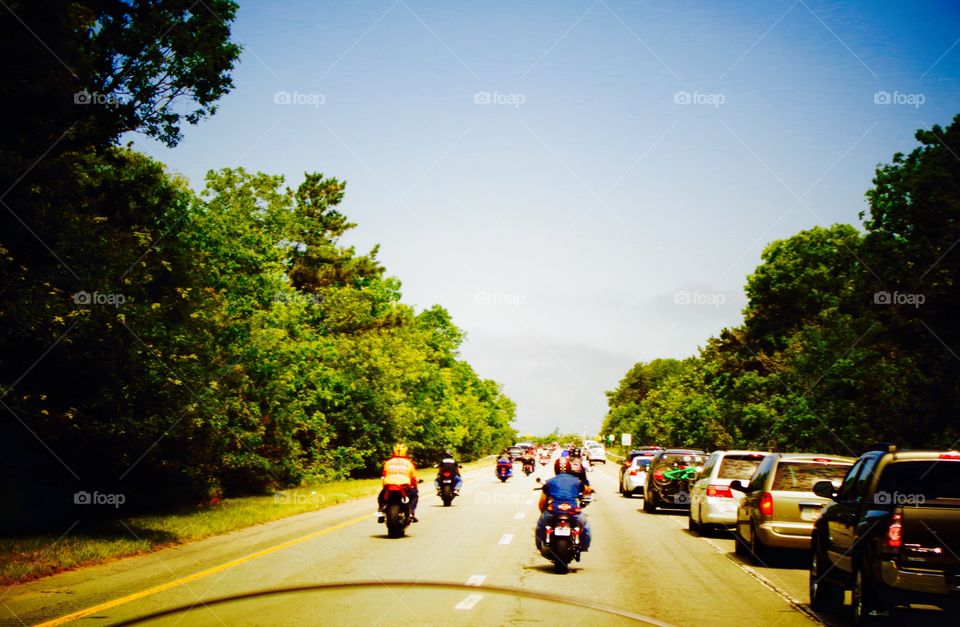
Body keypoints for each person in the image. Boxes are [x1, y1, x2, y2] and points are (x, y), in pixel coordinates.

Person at [535, 458, 592, 552]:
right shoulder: (577, 481)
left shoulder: (549, 482)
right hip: (573, 511)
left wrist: (543, 513)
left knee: (540, 526)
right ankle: (585, 547)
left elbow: (542, 502)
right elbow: (586, 490)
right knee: (585, 526)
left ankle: (540, 546)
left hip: (554, 510)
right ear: (570, 468)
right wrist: (588, 490)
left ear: (555, 469)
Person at [377, 443, 419, 523]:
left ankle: (381, 511)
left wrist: (384, 488)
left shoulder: (388, 463)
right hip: (404, 486)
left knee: (380, 498)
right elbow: (413, 479)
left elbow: (384, 476)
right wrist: (416, 488)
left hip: (389, 486)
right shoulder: (409, 464)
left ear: (393, 452)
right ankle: (410, 512)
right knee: (414, 496)